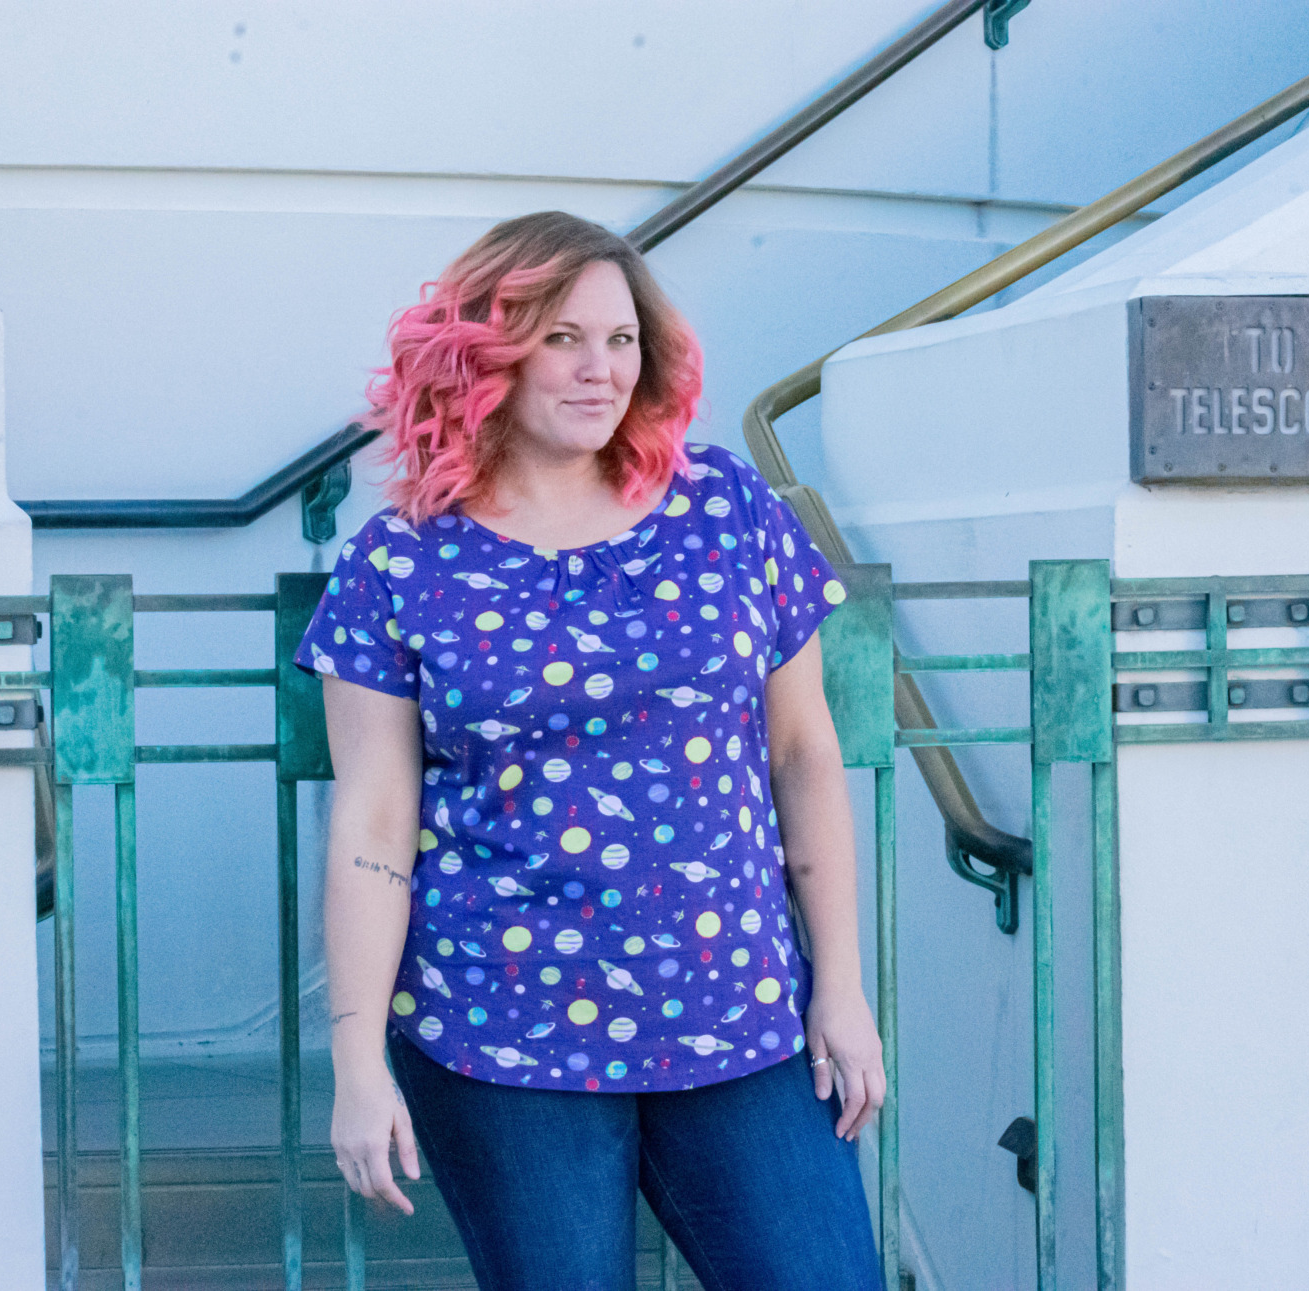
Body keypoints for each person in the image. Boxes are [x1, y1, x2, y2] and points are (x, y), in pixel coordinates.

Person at [295, 210, 885, 1291]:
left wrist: (838, 987)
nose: (600, 368)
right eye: (563, 337)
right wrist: (354, 1057)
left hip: (737, 1016)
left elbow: (802, 754)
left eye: (621, 340)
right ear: (485, 350)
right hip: (499, 1033)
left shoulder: (727, 510)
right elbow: (374, 819)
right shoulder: (398, 563)